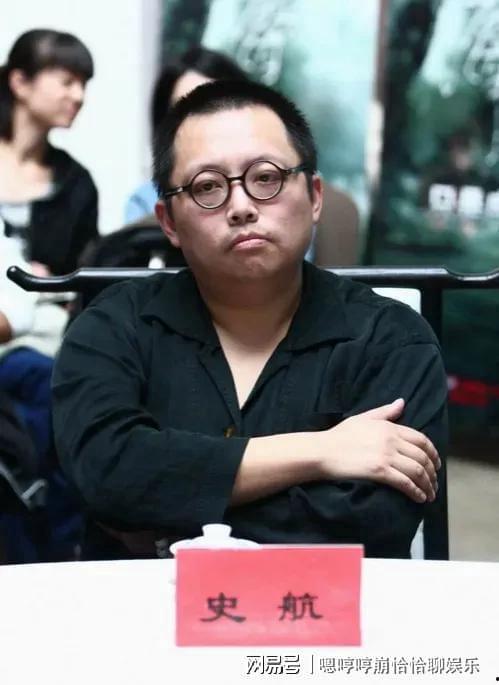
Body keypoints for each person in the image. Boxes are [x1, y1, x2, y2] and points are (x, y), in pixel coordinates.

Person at [52, 80, 447, 560]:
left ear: (315, 196)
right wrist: (320, 451)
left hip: (322, 606)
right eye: (207, 187)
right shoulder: (111, 327)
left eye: (266, 177)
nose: (241, 207)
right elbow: (106, 474)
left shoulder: (393, 339)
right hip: (141, 605)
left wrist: (167, 523)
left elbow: (372, 522)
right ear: (169, 221)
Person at [0, 29, 98, 276]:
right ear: (20, 82)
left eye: (83, 84)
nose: (79, 96)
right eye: (67, 82)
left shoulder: (76, 183)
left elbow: (84, 273)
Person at [124, 46, 248, 224]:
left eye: (213, 105)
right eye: (184, 109)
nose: (201, 122)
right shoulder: (145, 203)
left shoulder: (276, 182)